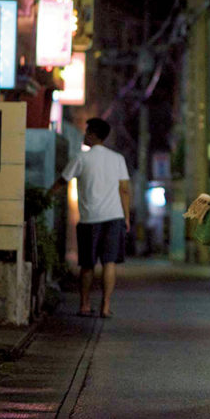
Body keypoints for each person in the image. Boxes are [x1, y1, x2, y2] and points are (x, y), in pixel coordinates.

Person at [48, 117, 130, 319]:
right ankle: (105, 306)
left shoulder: (80, 158)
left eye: (87, 132)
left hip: (89, 219)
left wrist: (45, 197)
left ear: (93, 135)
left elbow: (62, 181)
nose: (85, 135)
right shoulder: (117, 159)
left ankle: (84, 305)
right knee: (109, 263)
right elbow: (124, 190)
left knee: (87, 264)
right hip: (114, 217)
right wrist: (126, 218)